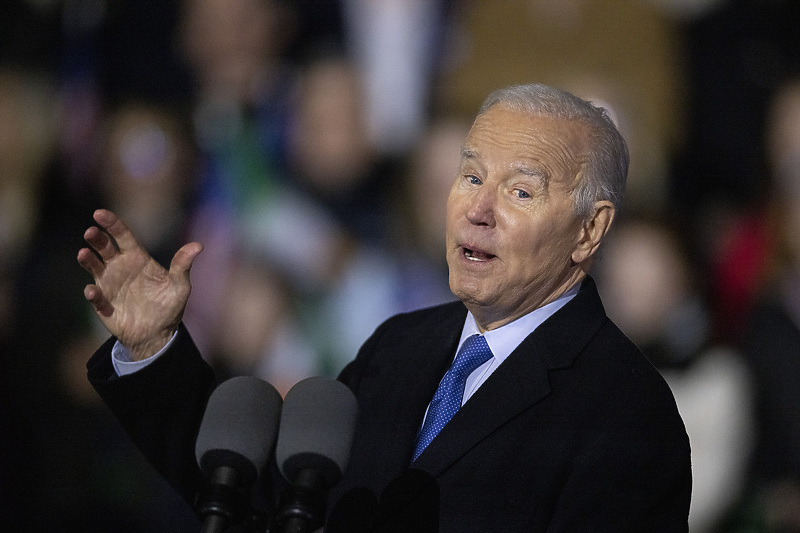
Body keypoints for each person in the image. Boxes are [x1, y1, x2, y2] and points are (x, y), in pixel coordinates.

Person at [78, 83, 692, 531]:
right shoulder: (399, 348)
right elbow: (264, 506)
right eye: (471, 178)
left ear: (590, 231)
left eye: (521, 191)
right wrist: (154, 348)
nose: (478, 210)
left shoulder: (627, 413)